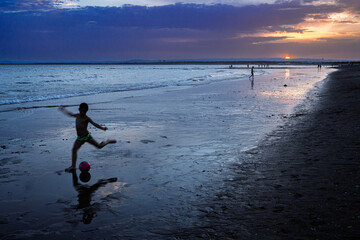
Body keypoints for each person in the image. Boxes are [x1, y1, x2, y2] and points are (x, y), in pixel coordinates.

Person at [59, 103, 116, 172]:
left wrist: (102, 128)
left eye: (84, 111)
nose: (83, 113)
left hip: (87, 136)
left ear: (86, 111)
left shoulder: (87, 118)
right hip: (80, 138)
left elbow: (95, 124)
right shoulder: (77, 116)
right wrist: (63, 109)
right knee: (74, 150)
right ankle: (73, 166)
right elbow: (70, 114)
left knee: (99, 146)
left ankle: (107, 141)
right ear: (79, 109)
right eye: (81, 111)